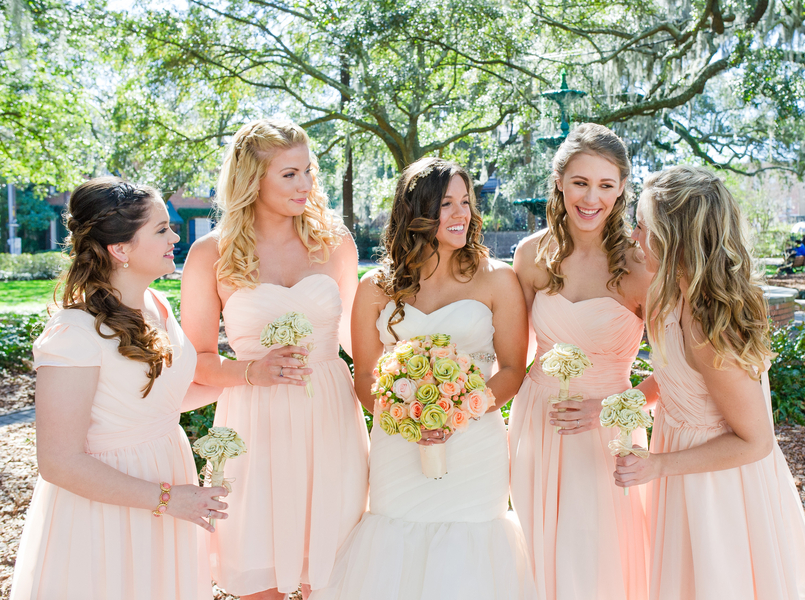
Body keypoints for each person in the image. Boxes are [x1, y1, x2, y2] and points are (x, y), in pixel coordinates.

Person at [310, 157, 536, 600]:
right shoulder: (376, 287)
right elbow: (366, 379)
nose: (461, 214)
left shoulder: (498, 279)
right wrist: (407, 420)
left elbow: (512, 370)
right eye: (446, 204)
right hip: (398, 443)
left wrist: (460, 410)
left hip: (475, 446)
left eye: (465, 202)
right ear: (416, 212)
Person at [11, 177, 227, 600]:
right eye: (161, 229)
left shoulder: (156, 304)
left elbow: (157, 405)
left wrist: (251, 383)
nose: (175, 236)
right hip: (108, 505)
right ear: (121, 249)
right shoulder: (73, 332)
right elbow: (59, 461)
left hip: (167, 475)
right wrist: (168, 499)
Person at [180, 120, 368, 599]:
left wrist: (407, 374)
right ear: (252, 179)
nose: (305, 185)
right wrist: (250, 371)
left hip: (329, 416)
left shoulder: (335, 242)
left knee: (331, 567)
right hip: (253, 420)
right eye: (289, 174)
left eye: (308, 171)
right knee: (256, 560)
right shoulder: (211, 254)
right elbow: (197, 358)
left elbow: (354, 338)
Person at [617, 165, 805, 599]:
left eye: (641, 226)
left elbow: (755, 441)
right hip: (682, 460)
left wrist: (657, 466)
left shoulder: (708, 326)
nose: (634, 237)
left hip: (716, 483)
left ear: (673, 239)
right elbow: (675, 374)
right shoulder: (673, 290)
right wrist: (626, 402)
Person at [509, 123, 652, 600]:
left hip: (606, 430)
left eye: (606, 186)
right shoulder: (530, 255)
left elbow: (678, 371)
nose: (591, 198)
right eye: (580, 182)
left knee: (594, 555)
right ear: (560, 182)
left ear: (622, 190)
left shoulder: (639, 266)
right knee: (536, 545)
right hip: (537, 422)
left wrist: (609, 410)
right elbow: (511, 356)